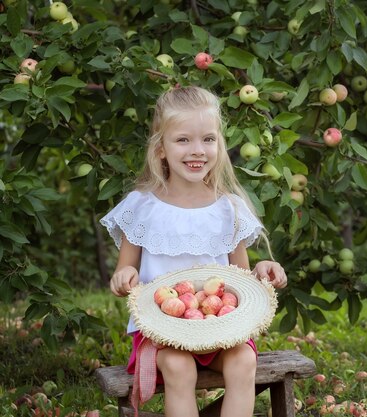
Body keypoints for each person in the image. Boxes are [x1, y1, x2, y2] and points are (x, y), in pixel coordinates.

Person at [100, 86, 287, 417]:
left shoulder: (229, 208)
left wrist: (260, 273)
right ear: (161, 148)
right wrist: (124, 277)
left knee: (244, 360)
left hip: (220, 330)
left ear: (220, 144)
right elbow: (123, 276)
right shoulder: (142, 208)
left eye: (208, 139)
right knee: (179, 366)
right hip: (163, 334)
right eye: (183, 140)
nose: (197, 150)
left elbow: (239, 280)